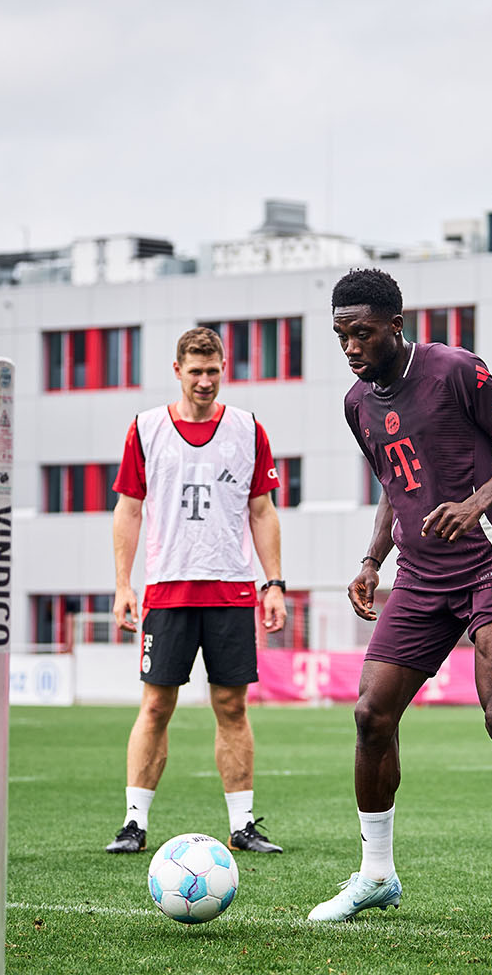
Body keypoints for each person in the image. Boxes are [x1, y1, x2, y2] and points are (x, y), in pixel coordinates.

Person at [307, 268, 492, 931]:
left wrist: (476, 502)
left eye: (363, 332)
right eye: (341, 334)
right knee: (372, 715)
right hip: (421, 577)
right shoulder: (356, 404)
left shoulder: (453, 370)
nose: (350, 345)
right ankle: (377, 875)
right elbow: (391, 482)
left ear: (395, 327)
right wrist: (373, 560)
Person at [105, 326, 289, 856]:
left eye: (213, 371)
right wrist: (123, 584)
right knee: (157, 704)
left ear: (223, 369)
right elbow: (129, 509)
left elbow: (262, 511)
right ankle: (134, 823)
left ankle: (243, 823)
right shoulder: (145, 429)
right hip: (167, 589)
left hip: (232, 588)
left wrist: (273, 583)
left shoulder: (249, 429)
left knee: (232, 705)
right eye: (196, 371)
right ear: (177, 371)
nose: (205, 381)